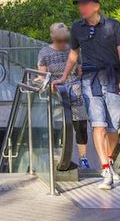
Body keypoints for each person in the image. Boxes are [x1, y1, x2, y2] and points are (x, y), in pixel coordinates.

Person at [59, 0, 120, 191]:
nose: (82, 8)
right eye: (80, 5)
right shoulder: (77, 28)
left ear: (96, 6)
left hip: (113, 79)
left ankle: (110, 161)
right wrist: (64, 77)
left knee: (112, 128)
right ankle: (105, 169)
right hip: (90, 81)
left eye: (86, 4)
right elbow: (73, 54)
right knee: (98, 125)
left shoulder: (113, 26)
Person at [39, 22, 90, 170]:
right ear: (52, 37)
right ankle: (59, 155)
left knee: (80, 124)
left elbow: (79, 69)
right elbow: (42, 75)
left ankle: (83, 157)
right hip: (56, 92)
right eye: (59, 39)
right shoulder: (44, 53)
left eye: (64, 40)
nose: (62, 43)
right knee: (60, 125)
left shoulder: (73, 50)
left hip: (75, 90)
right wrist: (46, 83)